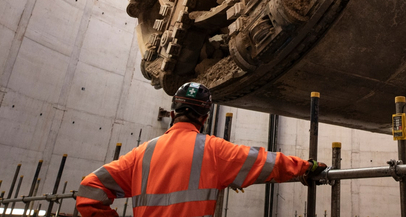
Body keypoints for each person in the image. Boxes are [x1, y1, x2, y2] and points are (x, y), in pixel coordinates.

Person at [77, 82, 327, 217]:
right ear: (205, 117)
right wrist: (306, 167)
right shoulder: (214, 150)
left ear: (173, 113)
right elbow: (266, 162)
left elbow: (89, 189)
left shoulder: (141, 154)